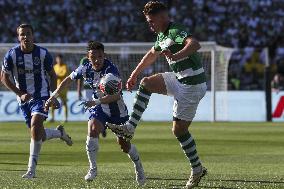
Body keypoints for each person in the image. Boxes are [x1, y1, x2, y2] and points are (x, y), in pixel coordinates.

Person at [107, 1, 207, 188]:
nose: (150, 24)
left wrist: (177, 55)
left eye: (152, 21)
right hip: (179, 79)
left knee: (178, 131)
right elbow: (152, 54)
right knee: (146, 83)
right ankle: (129, 127)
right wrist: (134, 75)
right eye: (148, 21)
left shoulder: (175, 31)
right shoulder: (162, 36)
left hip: (192, 85)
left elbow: (195, 44)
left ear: (163, 17)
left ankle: (197, 169)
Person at [44, 41, 146, 185]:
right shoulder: (85, 68)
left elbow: (117, 96)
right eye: (93, 57)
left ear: (104, 55)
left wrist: (96, 102)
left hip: (117, 110)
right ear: (88, 56)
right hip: (99, 108)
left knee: (124, 144)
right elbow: (67, 80)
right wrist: (52, 96)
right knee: (92, 129)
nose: (97, 60)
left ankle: (138, 166)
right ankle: (93, 168)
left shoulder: (111, 71)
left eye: (100, 56)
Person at [0, 24, 73, 179]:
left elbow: (52, 76)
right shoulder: (12, 55)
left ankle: (31, 171)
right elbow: (3, 77)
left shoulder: (43, 54)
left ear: (33, 36)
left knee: (35, 125)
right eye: (22, 34)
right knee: (38, 135)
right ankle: (60, 133)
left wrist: (53, 96)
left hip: (41, 96)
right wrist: (20, 94)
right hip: (24, 100)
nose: (25, 37)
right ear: (18, 37)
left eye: (28, 34)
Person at [77, 57, 107, 137]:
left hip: (98, 87)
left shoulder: (99, 60)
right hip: (88, 88)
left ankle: (101, 126)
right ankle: (95, 130)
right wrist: (79, 90)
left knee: (99, 107)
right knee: (91, 108)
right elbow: (80, 75)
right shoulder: (84, 60)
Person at [51, 54, 69, 122]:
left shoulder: (65, 67)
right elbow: (52, 76)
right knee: (52, 101)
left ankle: (65, 118)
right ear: (56, 59)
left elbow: (64, 75)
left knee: (64, 103)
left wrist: (56, 76)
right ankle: (52, 118)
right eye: (58, 59)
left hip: (63, 88)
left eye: (60, 59)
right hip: (56, 87)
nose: (59, 60)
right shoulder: (55, 67)